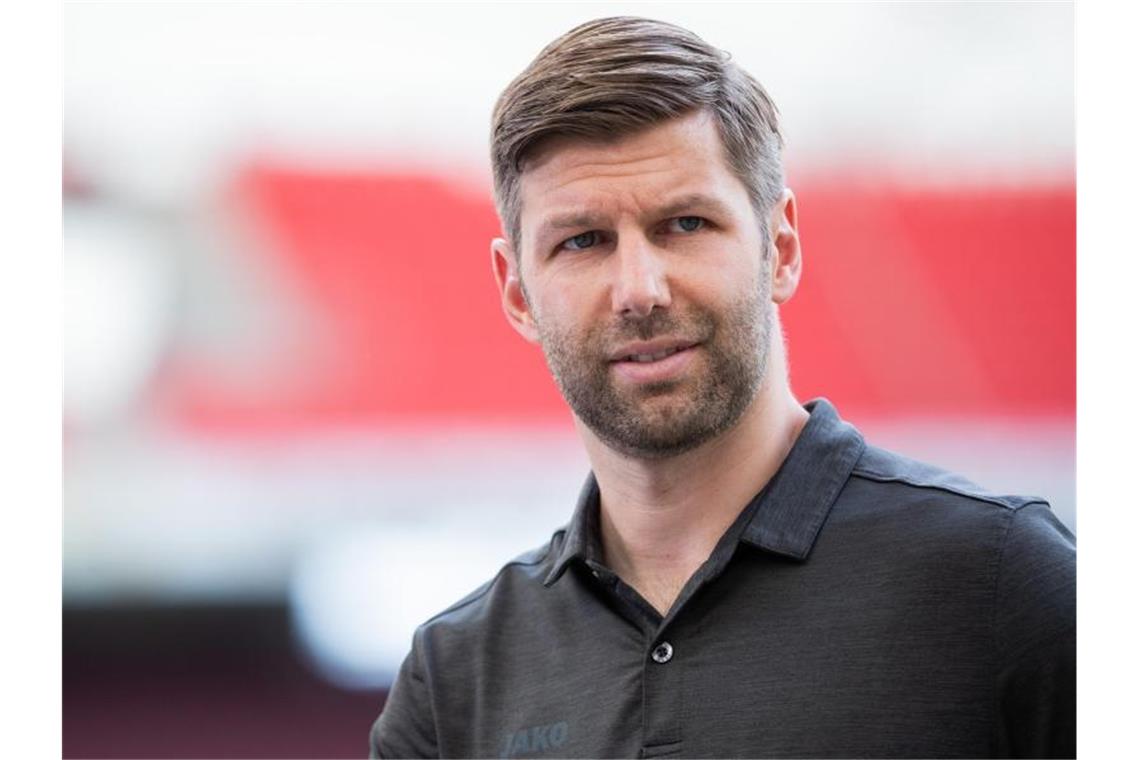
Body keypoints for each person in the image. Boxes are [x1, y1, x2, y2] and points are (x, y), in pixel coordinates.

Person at [369, 16, 1075, 759]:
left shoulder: (1004, 587)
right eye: (582, 241)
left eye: (684, 223)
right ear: (517, 292)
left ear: (782, 248)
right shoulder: (454, 681)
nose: (638, 290)